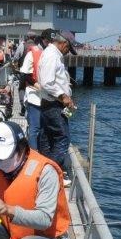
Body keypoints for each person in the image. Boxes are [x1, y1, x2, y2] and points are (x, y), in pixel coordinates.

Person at [37, 29, 80, 182]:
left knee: (47, 139)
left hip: (53, 104)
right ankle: (52, 175)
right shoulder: (51, 56)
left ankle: (45, 172)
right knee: (62, 138)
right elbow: (47, 83)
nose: (68, 52)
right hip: (53, 105)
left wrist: (66, 98)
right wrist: (63, 97)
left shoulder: (53, 55)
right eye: (69, 48)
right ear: (63, 43)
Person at [18, 31, 44, 149]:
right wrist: (35, 83)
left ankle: (23, 106)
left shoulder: (23, 46)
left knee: (36, 127)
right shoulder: (34, 52)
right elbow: (26, 73)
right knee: (35, 128)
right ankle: (34, 152)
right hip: (34, 92)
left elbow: (17, 56)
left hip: (38, 93)